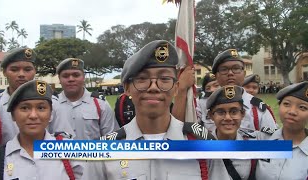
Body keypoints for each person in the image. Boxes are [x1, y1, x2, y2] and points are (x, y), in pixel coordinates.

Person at [97, 40, 214, 180]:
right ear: (127, 88)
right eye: (142, 78)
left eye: (164, 78)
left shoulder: (202, 141)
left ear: (176, 88)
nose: (153, 87)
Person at [0, 80, 84, 179]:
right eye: (25, 108)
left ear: (51, 114)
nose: (33, 115)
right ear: (13, 115)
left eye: (41, 108)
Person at [54, 58, 119, 180]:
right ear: (59, 79)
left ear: (83, 77)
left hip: (95, 172)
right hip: (61, 172)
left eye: (76, 75)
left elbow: (112, 143)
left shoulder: (100, 104)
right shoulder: (51, 105)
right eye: (66, 76)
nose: (71, 79)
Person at [206, 85, 272, 180]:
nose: (228, 118)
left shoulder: (255, 140)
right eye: (221, 112)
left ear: (243, 114)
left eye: (234, 112)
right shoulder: (202, 145)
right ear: (211, 115)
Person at [212, 49, 277, 131]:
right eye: (224, 69)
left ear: (244, 74)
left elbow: (272, 142)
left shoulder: (259, 109)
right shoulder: (203, 107)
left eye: (236, 68)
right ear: (216, 76)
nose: (230, 73)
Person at [255, 81, 308, 180]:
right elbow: (220, 150)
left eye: (302, 107)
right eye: (287, 104)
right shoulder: (263, 139)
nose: (292, 111)